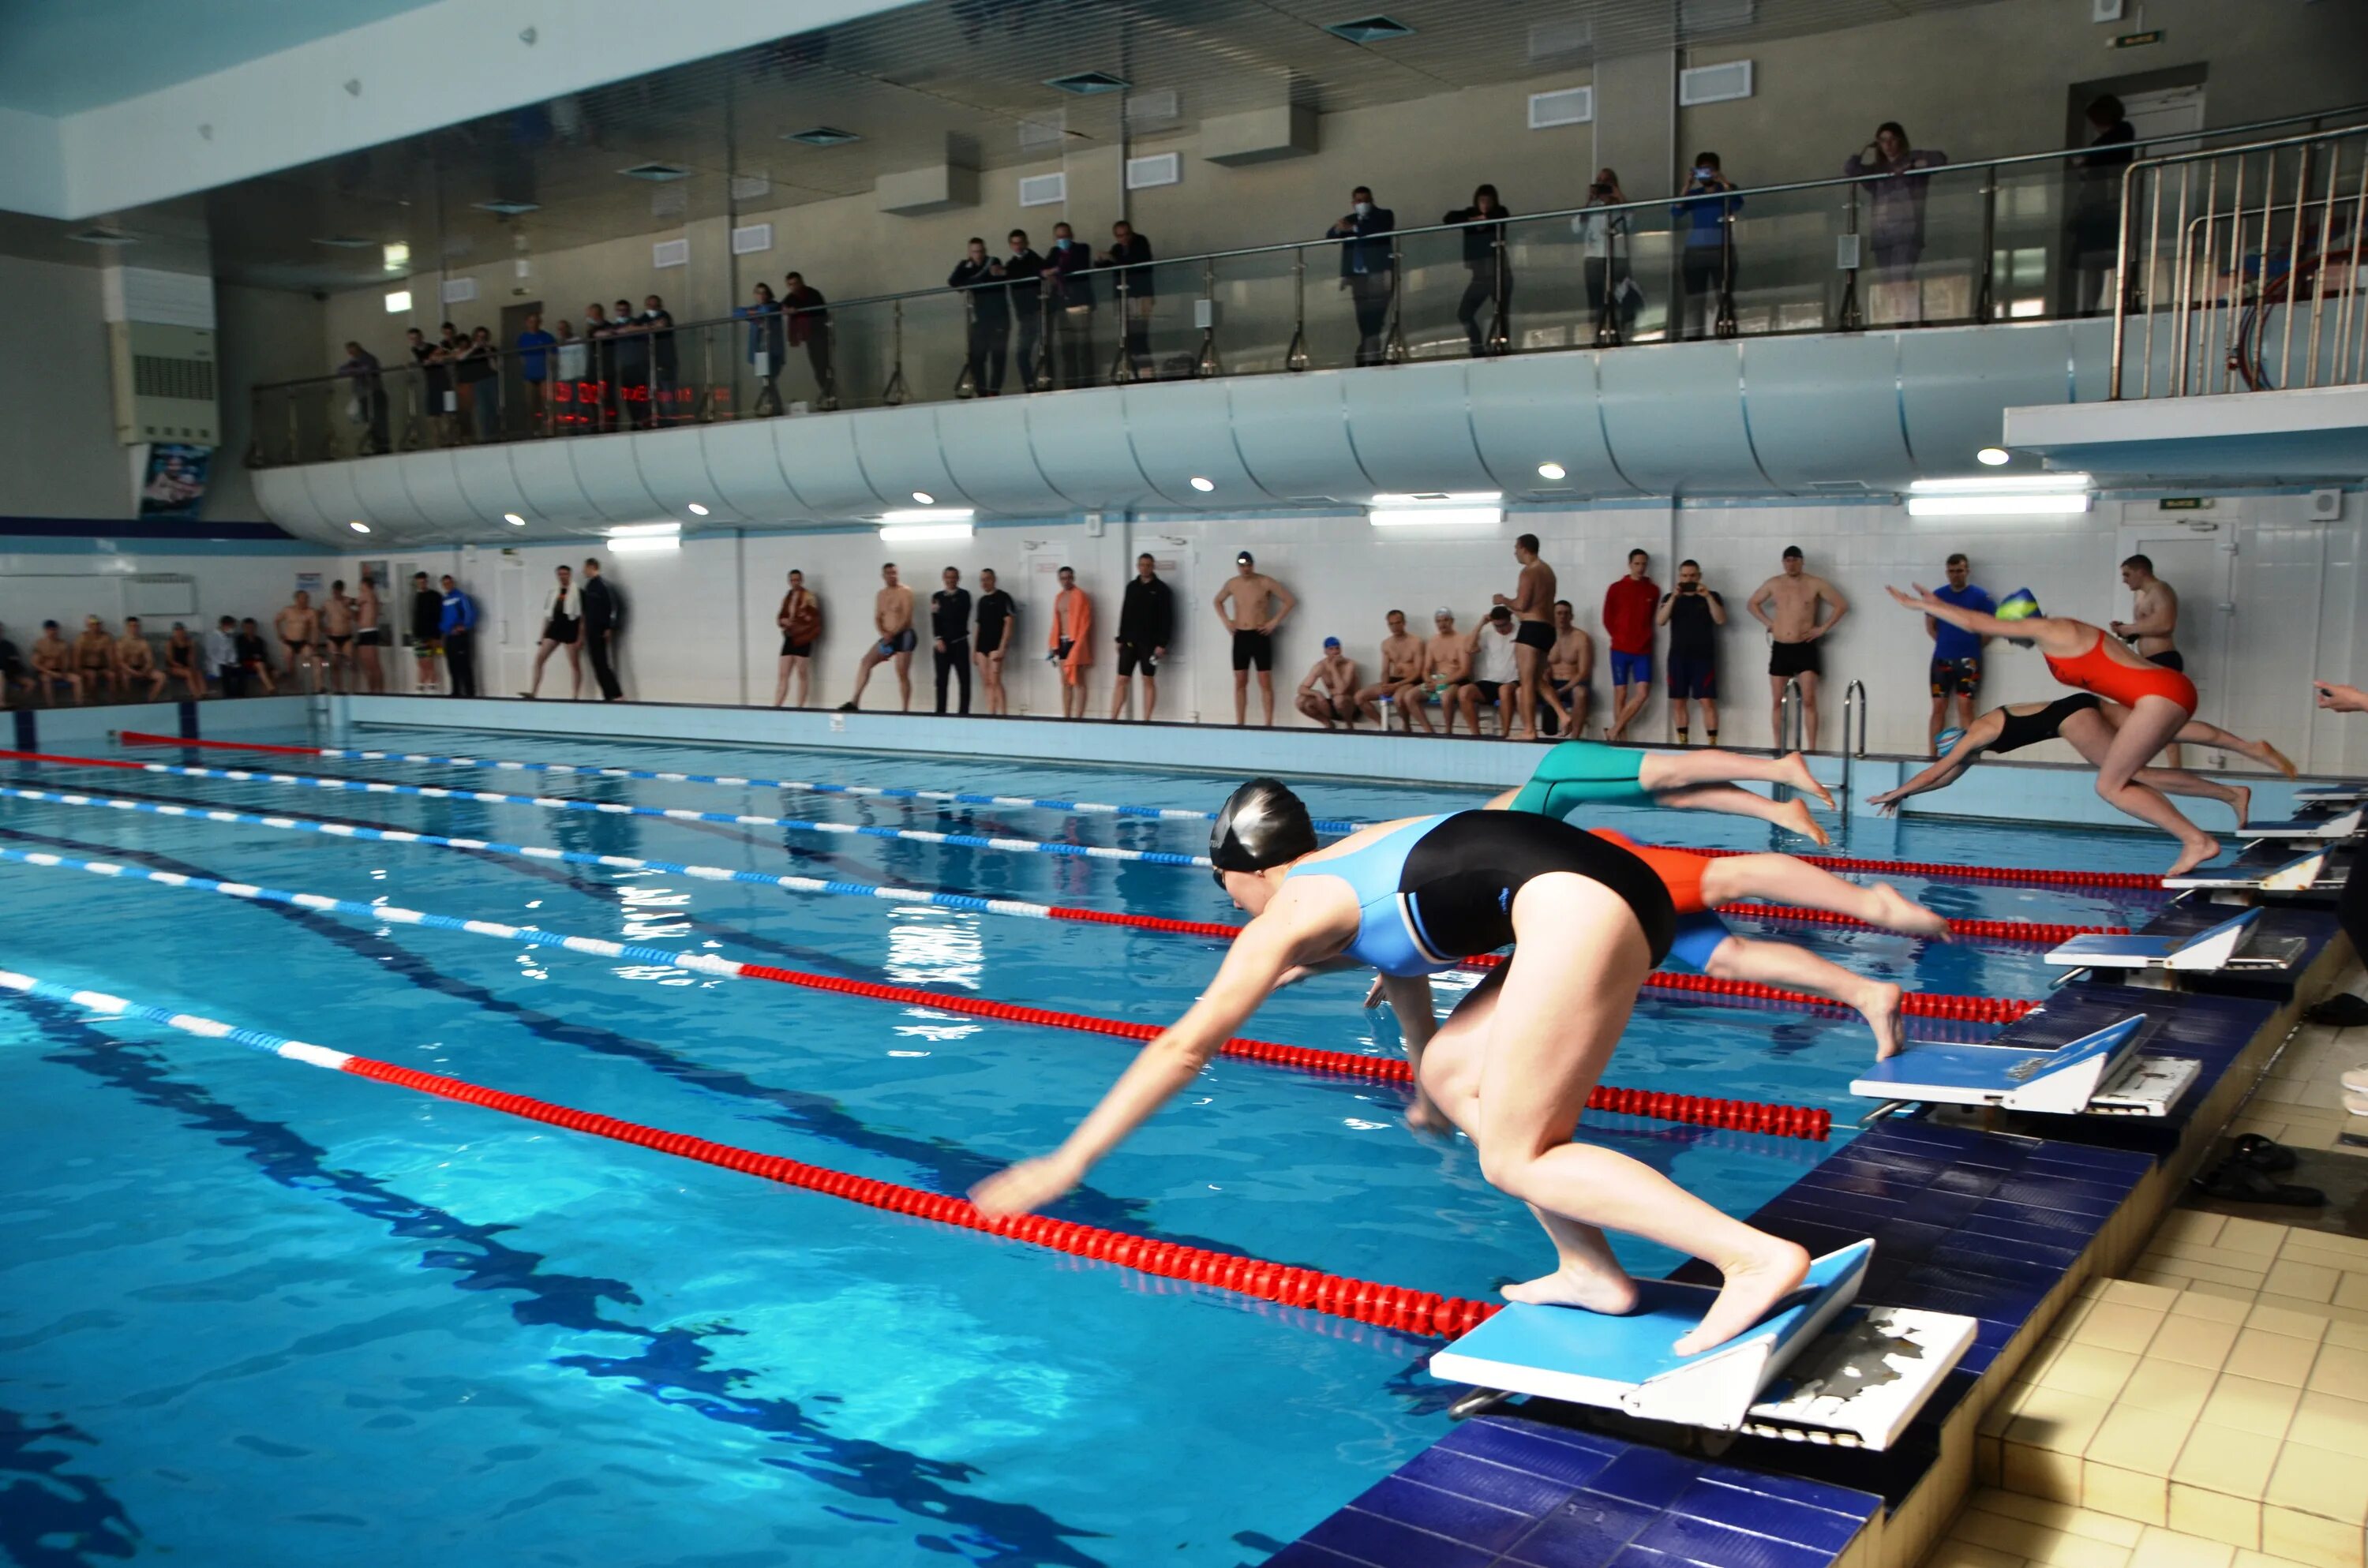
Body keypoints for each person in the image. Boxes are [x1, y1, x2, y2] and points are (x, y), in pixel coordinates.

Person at [972, 780, 1819, 1357]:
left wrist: (1069, 1161)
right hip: (1604, 886)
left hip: (1577, 901)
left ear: (1249, 871)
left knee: (1517, 1153)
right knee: (1459, 1077)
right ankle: (1592, 1272)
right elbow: (1410, 973)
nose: (1230, 902)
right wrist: (1426, 1088)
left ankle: (1750, 1257)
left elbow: (1186, 1044)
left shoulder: (1291, 909)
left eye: (1226, 885)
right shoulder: (1353, 861)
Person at [1887, 583, 2225, 875]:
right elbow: (1946, 774)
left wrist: (1924, 605)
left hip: (2093, 712)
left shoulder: (2048, 632)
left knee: (2112, 785)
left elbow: (1939, 770)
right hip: (2133, 698)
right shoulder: (2053, 638)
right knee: (2133, 777)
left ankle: (2197, 838)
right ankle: (2228, 792)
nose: (2007, 636)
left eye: (2009, 629)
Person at [1869, 692, 2293, 827]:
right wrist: (1907, 797)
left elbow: (1939, 769)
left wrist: (1898, 789)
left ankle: (2230, 794)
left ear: (1956, 745)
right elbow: (1946, 778)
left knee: (2133, 774)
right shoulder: (1975, 739)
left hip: (2071, 719)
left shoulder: (1977, 734)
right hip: (2078, 706)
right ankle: (2251, 749)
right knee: (2166, 728)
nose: (1960, 759)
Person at [1497, 737, 1836, 844]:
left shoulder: (1461, 837)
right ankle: (1778, 811)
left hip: (1559, 774)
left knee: (1672, 774)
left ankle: (1780, 769)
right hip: (1561, 786)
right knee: (1679, 795)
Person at [1844, 123, 1948, 324]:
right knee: (1890, 283)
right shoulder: (1877, 170)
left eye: (1892, 139)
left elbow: (1940, 159)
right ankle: (1904, 318)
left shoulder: (1912, 158)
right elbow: (1851, 169)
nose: (1888, 145)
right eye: (1882, 141)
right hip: (1882, 234)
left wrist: (1911, 166)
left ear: (1900, 139)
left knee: (1901, 277)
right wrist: (1865, 148)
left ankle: (1915, 319)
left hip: (1907, 232)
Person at [1748, 546, 1849, 751]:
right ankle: (1778, 747)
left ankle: (1811, 748)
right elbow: (1752, 604)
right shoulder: (1774, 583)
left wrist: (1822, 629)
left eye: (1794, 560)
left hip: (1805, 647)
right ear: (1783, 562)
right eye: (1787, 561)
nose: (1791, 564)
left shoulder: (1815, 583)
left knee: (1809, 701)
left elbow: (1841, 605)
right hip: (1781, 648)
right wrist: (1769, 622)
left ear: (1802, 562)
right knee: (1778, 701)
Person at [2112, 552, 2183, 766]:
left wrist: (2130, 628)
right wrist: (2127, 631)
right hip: (2148, 662)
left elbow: (2165, 625)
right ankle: (2135, 761)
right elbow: (2148, 628)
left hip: (2164, 659)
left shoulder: (2161, 591)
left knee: (2164, 717)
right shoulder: (2142, 596)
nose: (2124, 580)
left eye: (2127, 574)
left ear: (2141, 572)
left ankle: (2176, 768)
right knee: (2142, 714)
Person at [1493, 533, 1565, 739]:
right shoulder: (1548, 571)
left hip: (1531, 628)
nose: (1515, 552)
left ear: (1524, 548)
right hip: (1548, 630)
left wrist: (1503, 600)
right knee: (1537, 679)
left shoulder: (1528, 572)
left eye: (1516, 548)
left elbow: (1522, 604)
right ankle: (1562, 714)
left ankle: (1529, 730)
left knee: (1526, 683)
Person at [2070, 95, 2138, 316]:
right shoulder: (2118, 137)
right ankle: (2094, 306)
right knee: (2096, 260)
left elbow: (2102, 159)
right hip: (2102, 204)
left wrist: (2085, 162)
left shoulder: (2118, 135)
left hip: (2106, 204)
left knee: (2107, 256)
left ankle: (2116, 302)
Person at [1212, 551, 1298, 726]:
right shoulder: (1233, 584)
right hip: (1240, 636)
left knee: (1265, 682)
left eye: (1249, 565)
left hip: (1260, 636)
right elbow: (1217, 601)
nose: (1246, 568)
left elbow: (1289, 600)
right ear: (1238, 566)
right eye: (1242, 565)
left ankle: (1268, 724)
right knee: (1240, 682)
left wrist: (1273, 622)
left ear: (1253, 565)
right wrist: (1226, 621)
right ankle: (1240, 723)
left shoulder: (1265, 582)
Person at [1925, 553, 1992, 755]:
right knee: (1938, 707)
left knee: (1966, 708)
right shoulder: (1938, 596)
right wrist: (1947, 643)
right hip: (1942, 660)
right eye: (1952, 571)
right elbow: (1930, 626)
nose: (1956, 575)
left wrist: (1971, 645)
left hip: (1969, 661)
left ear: (1967, 571)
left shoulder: (1980, 597)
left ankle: (1968, 755)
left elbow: (1989, 629)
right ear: (1947, 573)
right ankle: (1932, 756)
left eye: (1960, 571)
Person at [1671, 152, 1742, 340]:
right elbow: (1676, 211)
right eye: (1701, 170)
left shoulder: (1726, 190)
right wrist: (1687, 184)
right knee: (1695, 297)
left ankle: (1727, 331)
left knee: (1724, 293)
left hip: (1722, 249)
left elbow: (1737, 203)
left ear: (1716, 170)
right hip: (1696, 251)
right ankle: (1694, 336)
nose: (1705, 174)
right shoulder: (1694, 195)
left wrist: (1723, 181)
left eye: (1709, 169)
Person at [1657, 559, 1725, 746]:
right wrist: (1673, 598)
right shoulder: (1670, 598)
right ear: (1680, 577)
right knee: (1678, 702)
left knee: (1707, 702)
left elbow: (1720, 620)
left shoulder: (1713, 596)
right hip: (1678, 658)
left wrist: (1707, 596)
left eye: (1693, 576)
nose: (1689, 579)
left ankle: (1712, 745)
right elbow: (1661, 621)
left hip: (1703, 658)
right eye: (1685, 576)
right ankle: (1683, 744)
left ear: (1699, 576)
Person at [1325, 185, 1396, 366]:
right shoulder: (1349, 220)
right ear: (1353, 203)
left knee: (1375, 319)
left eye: (1365, 200)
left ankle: (1371, 360)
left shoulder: (1384, 215)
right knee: (1364, 321)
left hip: (1379, 275)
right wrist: (1341, 230)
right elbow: (1330, 235)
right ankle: (1366, 356)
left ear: (1372, 200)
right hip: (1358, 278)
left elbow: (1376, 231)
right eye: (1358, 201)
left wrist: (1354, 228)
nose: (1362, 204)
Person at [1444, 183, 1512, 357]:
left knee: (1501, 313)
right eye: (1482, 200)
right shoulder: (1470, 213)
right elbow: (1448, 218)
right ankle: (1477, 346)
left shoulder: (1500, 212)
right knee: (1464, 313)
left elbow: (1500, 216)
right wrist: (1474, 219)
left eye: (1489, 201)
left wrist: (1483, 219)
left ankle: (1501, 348)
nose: (1485, 204)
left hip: (1499, 274)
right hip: (1480, 275)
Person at [839, 563, 917, 712]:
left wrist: (892, 634)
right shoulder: (881, 595)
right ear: (883, 576)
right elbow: (877, 618)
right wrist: (884, 634)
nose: (892, 576)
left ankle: (905, 710)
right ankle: (855, 701)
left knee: (902, 672)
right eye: (889, 573)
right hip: (888, 637)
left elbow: (906, 617)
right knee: (866, 662)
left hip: (904, 635)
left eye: (894, 573)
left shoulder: (905, 592)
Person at [1602, 548, 1658, 741]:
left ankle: (1614, 730)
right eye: (1637, 564)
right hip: (1620, 649)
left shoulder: (1653, 590)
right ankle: (1621, 738)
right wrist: (1620, 637)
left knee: (1642, 694)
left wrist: (1643, 637)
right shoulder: (1616, 588)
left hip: (1643, 650)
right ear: (1630, 564)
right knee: (1621, 693)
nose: (1640, 568)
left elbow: (1650, 619)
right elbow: (1607, 618)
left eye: (1644, 564)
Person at [1111, 552, 1174, 721]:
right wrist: (1120, 639)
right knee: (1122, 679)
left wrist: (1162, 644)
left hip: (1150, 643)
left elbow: (1167, 618)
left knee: (1148, 679)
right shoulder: (1131, 587)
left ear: (1153, 567)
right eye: (1142, 565)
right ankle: (1113, 718)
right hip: (1130, 641)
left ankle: (1146, 719)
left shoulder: (1162, 589)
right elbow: (1125, 613)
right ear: (1138, 566)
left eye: (1148, 565)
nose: (1145, 568)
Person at [1574, 169, 1634, 340]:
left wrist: (1619, 196)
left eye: (1607, 181)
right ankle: (1597, 336)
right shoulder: (1592, 206)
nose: (1603, 183)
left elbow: (1631, 222)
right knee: (1595, 302)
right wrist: (1589, 201)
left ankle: (1618, 336)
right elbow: (1576, 227)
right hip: (1594, 259)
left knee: (1618, 298)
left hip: (1617, 258)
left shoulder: (1620, 205)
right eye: (1600, 180)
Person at [949, 239, 1010, 397]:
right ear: (970, 253)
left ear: (985, 250)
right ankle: (981, 390)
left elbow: (988, 280)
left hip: (999, 317)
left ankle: (994, 390)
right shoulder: (967, 265)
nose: (978, 255)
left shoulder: (994, 261)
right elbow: (953, 282)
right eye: (975, 252)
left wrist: (969, 282)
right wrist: (966, 268)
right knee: (976, 356)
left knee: (997, 356)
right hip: (981, 319)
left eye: (981, 251)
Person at [1043, 223, 1096, 389]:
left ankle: (1088, 384)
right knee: (1067, 349)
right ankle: (1071, 385)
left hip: (1080, 303)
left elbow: (1074, 266)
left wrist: (1055, 271)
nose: (1062, 240)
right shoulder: (1054, 252)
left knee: (1084, 346)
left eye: (1065, 236)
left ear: (1072, 235)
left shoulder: (1082, 248)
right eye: (1059, 237)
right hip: (1061, 305)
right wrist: (1047, 273)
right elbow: (1041, 268)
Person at [1355, 609, 1426, 732]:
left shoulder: (1416, 642)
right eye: (1391, 624)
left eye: (1398, 623)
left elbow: (1418, 672)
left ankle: (1407, 726)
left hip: (1411, 681)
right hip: (1393, 681)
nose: (1395, 627)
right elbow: (1385, 670)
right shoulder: (1386, 644)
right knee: (1359, 697)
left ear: (1404, 623)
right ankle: (1383, 725)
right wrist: (1385, 685)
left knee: (1399, 698)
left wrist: (1395, 686)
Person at [525, 563, 582, 700]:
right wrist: (542, 636)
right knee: (539, 659)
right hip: (554, 629)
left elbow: (582, 618)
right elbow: (547, 616)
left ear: (570, 575)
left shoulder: (578, 592)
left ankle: (575, 695)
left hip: (570, 629)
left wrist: (580, 638)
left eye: (565, 574)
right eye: (560, 574)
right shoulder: (553, 592)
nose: (562, 576)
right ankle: (533, 692)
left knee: (574, 664)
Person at [1106, 219, 1156, 375]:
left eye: (1126, 234)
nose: (1124, 239)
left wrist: (1112, 259)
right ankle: (1134, 372)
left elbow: (1137, 262)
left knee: (1139, 335)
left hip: (1140, 296)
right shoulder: (1117, 249)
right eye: (1119, 236)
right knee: (1127, 338)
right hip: (1123, 297)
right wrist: (1101, 259)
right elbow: (1108, 266)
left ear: (1131, 232)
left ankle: (1146, 372)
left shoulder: (1141, 242)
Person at [1413, 608, 1474, 735]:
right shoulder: (1433, 641)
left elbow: (1465, 671)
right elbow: (1426, 669)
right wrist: (1428, 680)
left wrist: (1441, 682)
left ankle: (1448, 731)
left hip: (1457, 681)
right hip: (1437, 680)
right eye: (1439, 621)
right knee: (1409, 697)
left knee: (1446, 698)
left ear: (1452, 621)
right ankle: (1429, 732)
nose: (1442, 624)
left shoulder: (1462, 640)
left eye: (1446, 620)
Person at [1466, 605, 1523, 736]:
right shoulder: (1489, 635)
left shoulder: (1521, 633)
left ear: (1510, 620)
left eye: (1503, 625)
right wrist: (1481, 624)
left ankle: (1504, 734)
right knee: (1465, 692)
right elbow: (1469, 648)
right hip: (1492, 680)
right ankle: (1476, 736)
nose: (1500, 629)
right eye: (1496, 626)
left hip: (1514, 680)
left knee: (1504, 690)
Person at [1542, 600, 1594, 739]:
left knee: (1581, 693)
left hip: (1574, 682)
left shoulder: (1581, 638)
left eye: (1566, 613)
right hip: (1553, 683)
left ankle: (1574, 738)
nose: (1562, 617)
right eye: (1559, 613)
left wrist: (1562, 690)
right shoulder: (1546, 637)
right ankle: (1531, 734)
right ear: (1553, 616)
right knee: (1523, 691)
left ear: (1571, 616)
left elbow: (1583, 672)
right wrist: (1547, 685)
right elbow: (1543, 667)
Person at [1002, 232, 1046, 391]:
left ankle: (1045, 383)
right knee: (1021, 354)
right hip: (1024, 315)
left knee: (1045, 350)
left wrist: (1006, 273)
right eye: (1014, 243)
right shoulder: (1011, 264)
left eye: (1020, 242)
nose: (1018, 246)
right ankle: (1029, 384)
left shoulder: (1034, 259)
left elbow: (1035, 272)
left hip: (1039, 311)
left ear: (1026, 243)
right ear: (1010, 245)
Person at [1048, 565, 1092, 719]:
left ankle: (1079, 717)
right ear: (1059, 579)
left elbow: (1085, 623)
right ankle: (1066, 716)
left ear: (1073, 578)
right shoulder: (1059, 597)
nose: (1066, 581)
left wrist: (1079, 645)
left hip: (1076, 641)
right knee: (1065, 681)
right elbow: (1056, 623)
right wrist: (1053, 645)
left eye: (1068, 577)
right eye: (1063, 578)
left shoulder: (1081, 596)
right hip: (1062, 641)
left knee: (1079, 681)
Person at [774, 568, 822, 708]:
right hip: (789, 637)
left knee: (802, 673)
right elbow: (780, 616)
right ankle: (777, 705)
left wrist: (801, 618)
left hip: (803, 638)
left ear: (801, 580)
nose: (795, 582)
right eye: (793, 580)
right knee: (783, 674)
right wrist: (784, 621)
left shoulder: (809, 596)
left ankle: (800, 706)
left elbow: (814, 619)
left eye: (797, 580)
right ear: (789, 581)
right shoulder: (787, 597)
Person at [580, 556, 624, 702]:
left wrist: (610, 627)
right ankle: (607, 694)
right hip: (591, 631)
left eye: (585, 568)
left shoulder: (603, 585)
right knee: (597, 664)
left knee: (603, 663)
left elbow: (614, 607)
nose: (583, 571)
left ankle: (616, 694)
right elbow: (587, 610)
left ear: (592, 567)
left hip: (600, 630)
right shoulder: (589, 586)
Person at [931, 566, 972, 715]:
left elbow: (960, 617)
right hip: (942, 645)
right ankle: (940, 713)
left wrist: (949, 601)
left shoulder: (965, 595)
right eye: (948, 577)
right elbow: (935, 619)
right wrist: (939, 638)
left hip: (960, 643)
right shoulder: (937, 597)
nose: (950, 580)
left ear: (958, 578)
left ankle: (963, 713)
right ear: (944, 578)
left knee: (964, 680)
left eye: (953, 577)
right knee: (941, 681)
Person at [974, 567, 1017, 715]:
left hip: (996, 646)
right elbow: (978, 627)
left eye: (987, 579)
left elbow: (1009, 624)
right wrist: (974, 651)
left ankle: (1003, 714)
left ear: (994, 580)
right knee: (986, 682)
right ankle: (991, 713)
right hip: (982, 647)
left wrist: (1002, 647)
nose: (984, 582)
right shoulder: (982, 601)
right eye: (982, 580)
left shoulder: (1004, 598)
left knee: (995, 681)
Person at [1295, 638, 1364, 729]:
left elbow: (1341, 690)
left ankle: (1349, 725)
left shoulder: (1349, 664)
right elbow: (1301, 689)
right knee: (1300, 701)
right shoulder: (1321, 666)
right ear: (1325, 651)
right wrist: (1317, 694)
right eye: (1331, 649)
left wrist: (1333, 667)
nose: (1335, 652)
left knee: (1339, 699)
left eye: (1337, 648)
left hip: (1352, 707)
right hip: (1334, 705)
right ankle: (1328, 724)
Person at [782, 273, 833, 399]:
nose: (793, 287)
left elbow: (815, 310)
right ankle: (827, 393)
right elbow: (782, 306)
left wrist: (797, 311)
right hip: (810, 337)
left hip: (821, 334)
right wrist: (787, 310)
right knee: (818, 368)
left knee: (824, 366)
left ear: (801, 282)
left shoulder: (813, 294)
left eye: (795, 283)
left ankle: (829, 394)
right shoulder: (791, 297)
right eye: (790, 284)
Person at [740, 283, 787, 415]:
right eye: (758, 293)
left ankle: (775, 407)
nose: (761, 296)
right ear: (755, 295)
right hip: (760, 351)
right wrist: (754, 312)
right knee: (766, 381)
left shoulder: (775, 306)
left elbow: (766, 311)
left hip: (774, 352)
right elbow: (737, 312)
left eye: (764, 293)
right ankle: (772, 406)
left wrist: (752, 313)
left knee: (770, 380)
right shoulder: (755, 309)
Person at [335, 341, 389, 454]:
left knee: (378, 420)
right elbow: (341, 371)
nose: (352, 354)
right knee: (368, 420)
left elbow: (367, 369)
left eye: (353, 351)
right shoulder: (355, 362)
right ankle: (374, 444)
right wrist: (355, 370)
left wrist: (355, 370)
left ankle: (382, 445)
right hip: (363, 395)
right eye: (350, 352)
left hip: (374, 393)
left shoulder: (369, 358)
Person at [609, 297, 650, 428]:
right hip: (624, 366)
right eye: (620, 310)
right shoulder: (614, 327)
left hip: (639, 364)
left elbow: (644, 332)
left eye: (625, 310)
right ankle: (635, 421)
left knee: (641, 394)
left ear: (629, 311)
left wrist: (629, 329)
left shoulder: (636, 323)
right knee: (628, 396)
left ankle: (644, 420)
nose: (622, 313)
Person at [455, 326, 500, 443]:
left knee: (493, 408)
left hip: (490, 379)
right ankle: (484, 436)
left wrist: (488, 351)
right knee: (481, 409)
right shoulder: (469, 349)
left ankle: (494, 434)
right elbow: (460, 358)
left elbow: (495, 367)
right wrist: (473, 348)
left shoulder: (490, 348)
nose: (481, 339)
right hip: (477, 382)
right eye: (479, 337)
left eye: (483, 337)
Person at [270, 592, 319, 694]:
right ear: (297, 599)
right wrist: (279, 634)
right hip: (289, 642)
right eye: (303, 598)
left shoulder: (311, 612)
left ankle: (314, 687)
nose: (305, 601)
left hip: (303, 642)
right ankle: (294, 687)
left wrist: (314, 642)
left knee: (310, 660)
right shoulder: (288, 610)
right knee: (290, 664)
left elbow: (315, 628)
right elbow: (276, 620)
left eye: (307, 599)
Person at [515, 312, 556, 433]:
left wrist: (550, 371)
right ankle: (534, 431)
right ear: (526, 323)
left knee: (548, 405)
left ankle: (549, 430)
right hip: (529, 377)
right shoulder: (522, 338)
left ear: (540, 322)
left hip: (545, 376)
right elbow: (522, 358)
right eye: (531, 321)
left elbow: (553, 357)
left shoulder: (547, 337)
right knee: (530, 406)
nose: (533, 324)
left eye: (536, 321)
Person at [440, 574, 478, 698]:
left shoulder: (461, 597)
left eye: (449, 583)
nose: (447, 586)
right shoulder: (444, 600)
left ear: (453, 583)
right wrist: (444, 631)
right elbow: (442, 619)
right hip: (449, 637)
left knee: (464, 666)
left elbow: (470, 614)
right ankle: (455, 692)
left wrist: (464, 627)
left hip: (460, 637)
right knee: (452, 665)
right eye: (445, 584)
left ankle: (470, 694)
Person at [112, 616, 164, 702]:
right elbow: (120, 662)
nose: (134, 628)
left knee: (162, 677)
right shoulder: (121, 643)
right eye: (131, 626)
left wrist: (144, 671)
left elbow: (150, 661)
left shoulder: (143, 643)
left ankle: (150, 701)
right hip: (127, 670)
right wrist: (133, 672)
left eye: (136, 626)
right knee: (125, 677)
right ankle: (130, 702)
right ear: (127, 627)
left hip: (142, 668)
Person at [30, 621, 83, 704]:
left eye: (55, 630)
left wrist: (63, 673)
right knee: (46, 679)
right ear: (46, 631)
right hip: (44, 672)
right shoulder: (39, 644)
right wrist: (50, 672)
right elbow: (35, 663)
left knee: (77, 679)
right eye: (50, 630)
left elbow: (66, 661)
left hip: (59, 671)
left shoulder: (62, 644)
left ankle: (79, 705)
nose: (53, 632)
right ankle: (51, 706)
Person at [408, 571, 442, 692]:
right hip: (418, 636)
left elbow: (439, 616)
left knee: (429, 662)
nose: (421, 584)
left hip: (431, 635)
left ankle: (432, 685)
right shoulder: (416, 597)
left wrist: (437, 637)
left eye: (423, 582)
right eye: (419, 582)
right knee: (421, 662)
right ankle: (421, 686)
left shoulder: (435, 596)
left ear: (426, 582)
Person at [320, 579, 356, 694]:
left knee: (350, 662)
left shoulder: (347, 601)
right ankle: (338, 690)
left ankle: (351, 689)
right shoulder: (327, 603)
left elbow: (358, 610)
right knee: (335, 664)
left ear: (342, 591)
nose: (336, 593)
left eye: (338, 591)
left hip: (346, 636)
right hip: (333, 637)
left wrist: (349, 609)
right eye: (334, 591)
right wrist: (323, 629)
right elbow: (317, 617)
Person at [354, 572, 384, 694]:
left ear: (365, 585)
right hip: (362, 632)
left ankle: (381, 691)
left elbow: (354, 602)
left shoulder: (369, 595)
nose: (359, 587)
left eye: (361, 585)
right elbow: (358, 616)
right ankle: (371, 691)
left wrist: (343, 600)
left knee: (374, 664)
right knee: (367, 665)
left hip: (371, 631)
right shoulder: (365, 600)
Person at [73, 616, 116, 702]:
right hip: (86, 667)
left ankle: (113, 701)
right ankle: (93, 701)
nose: (95, 627)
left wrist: (112, 669)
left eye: (97, 624)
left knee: (113, 676)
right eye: (93, 625)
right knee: (92, 675)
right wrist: (78, 671)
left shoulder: (106, 637)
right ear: (88, 626)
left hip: (101, 667)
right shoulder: (82, 638)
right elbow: (76, 657)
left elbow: (110, 656)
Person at [235, 618, 279, 695]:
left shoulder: (259, 640)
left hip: (259, 662)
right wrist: (254, 656)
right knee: (260, 665)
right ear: (243, 628)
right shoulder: (240, 639)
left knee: (275, 671)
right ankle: (271, 688)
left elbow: (263, 655)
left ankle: (266, 689)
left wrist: (272, 667)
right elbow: (242, 654)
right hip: (245, 663)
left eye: (252, 627)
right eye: (247, 628)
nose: (250, 630)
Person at [200, 616, 240, 697]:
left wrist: (233, 662)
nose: (233, 628)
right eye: (231, 626)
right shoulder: (213, 637)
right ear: (224, 626)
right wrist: (224, 663)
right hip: (217, 664)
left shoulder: (230, 636)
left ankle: (240, 694)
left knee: (241, 670)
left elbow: (233, 651)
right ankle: (229, 695)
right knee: (226, 670)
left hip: (229, 663)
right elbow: (211, 654)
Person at [163, 622, 201, 700]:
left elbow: (191, 657)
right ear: (174, 632)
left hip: (186, 666)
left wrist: (192, 667)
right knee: (188, 673)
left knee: (198, 673)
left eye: (181, 630)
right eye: (177, 631)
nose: (179, 633)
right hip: (173, 667)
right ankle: (197, 696)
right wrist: (181, 666)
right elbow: (170, 660)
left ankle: (204, 696)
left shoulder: (189, 642)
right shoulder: (170, 643)